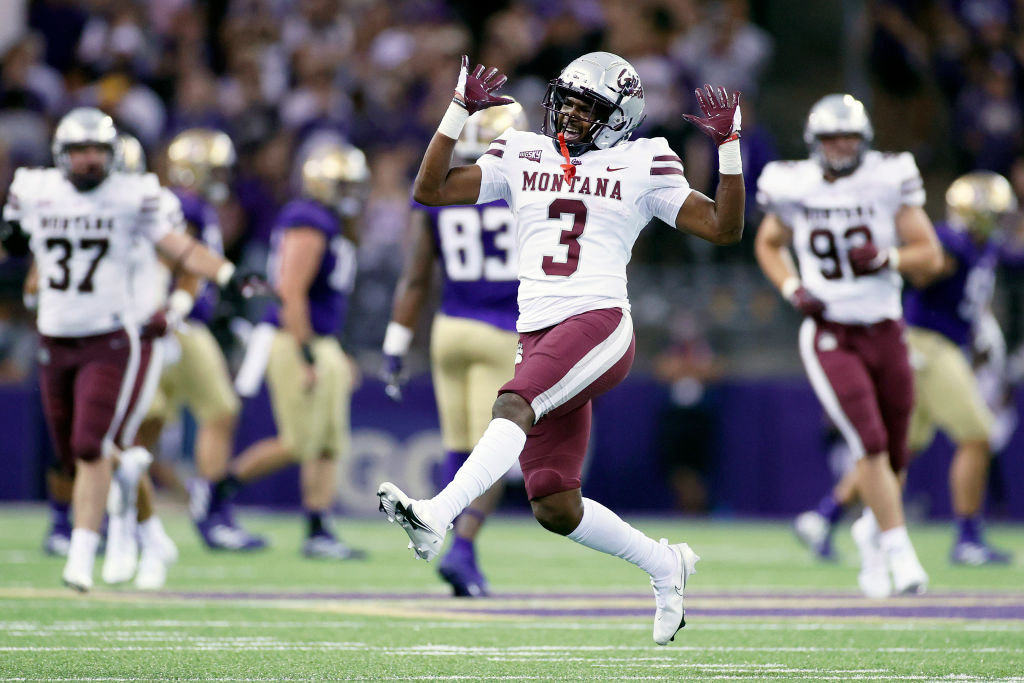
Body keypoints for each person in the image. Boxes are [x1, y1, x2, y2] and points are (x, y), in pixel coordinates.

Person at [377, 53, 745, 646]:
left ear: (619, 117)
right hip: (538, 332)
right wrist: (456, 112)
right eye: (566, 101)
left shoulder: (643, 162)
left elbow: (724, 228)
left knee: (512, 404)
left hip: (598, 321)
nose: (569, 114)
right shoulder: (522, 152)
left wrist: (728, 149)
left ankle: (437, 516)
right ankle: (664, 564)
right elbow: (431, 190)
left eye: (585, 106)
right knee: (554, 503)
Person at [0, 107, 269, 591]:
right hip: (114, 330)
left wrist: (196, 294)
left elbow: (184, 257)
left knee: (113, 443)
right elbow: (42, 258)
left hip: (139, 331)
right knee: (118, 446)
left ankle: (128, 533)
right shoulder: (71, 202)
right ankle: (134, 530)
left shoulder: (149, 204)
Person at [754, 93, 942, 598]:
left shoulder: (887, 177)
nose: (840, 146)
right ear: (814, 142)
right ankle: (900, 551)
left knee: (897, 451)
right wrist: (793, 288)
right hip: (831, 331)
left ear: (865, 140)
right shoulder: (793, 183)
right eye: (831, 137)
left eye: (849, 137)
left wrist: (886, 258)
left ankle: (870, 535)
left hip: (886, 328)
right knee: (869, 441)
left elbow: (929, 255)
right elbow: (768, 243)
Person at [792, 171, 1021, 567]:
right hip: (927, 344)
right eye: (996, 214)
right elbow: (925, 266)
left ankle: (823, 517)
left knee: (897, 453)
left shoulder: (983, 246)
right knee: (977, 436)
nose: (1002, 221)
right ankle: (967, 539)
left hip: (933, 345)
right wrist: (907, 261)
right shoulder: (951, 241)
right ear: (977, 213)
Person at [381, 101, 528, 597]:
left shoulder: (443, 188)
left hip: (449, 330)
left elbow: (415, 276)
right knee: (494, 452)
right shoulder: (525, 188)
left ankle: (449, 538)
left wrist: (396, 342)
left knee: (459, 445)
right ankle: (462, 550)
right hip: (503, 329)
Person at [216, 137, 368, 560]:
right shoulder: (309, 218)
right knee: (298, 441)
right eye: (343, 184)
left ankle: (319, 529)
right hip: (294, 337)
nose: (352, 193)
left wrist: (337, 350)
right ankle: (213, 493)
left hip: (321, 339)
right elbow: (291, 292)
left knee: (329, 442)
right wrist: (306, 355)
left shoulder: (331, 221)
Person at [133, 128, 265, 551]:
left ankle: (123, 515)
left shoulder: (197, 206)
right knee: (210, 412)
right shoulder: (181, 206)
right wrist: (183, 305)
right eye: (214, 169)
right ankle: (207, 513)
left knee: (150, 426)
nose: (221, 177)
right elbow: (178, 260)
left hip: (178, 323)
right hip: (176, 324)